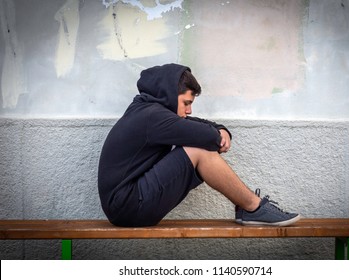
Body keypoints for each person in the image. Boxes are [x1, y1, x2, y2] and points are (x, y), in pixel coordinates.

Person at [98, 63, 300, 227]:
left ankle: (248, 207)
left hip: (128, 205)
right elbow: (206, 137)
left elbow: (195, 126)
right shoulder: (152, 117)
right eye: (186, 103)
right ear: (168, 94)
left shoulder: (149, 112)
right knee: (198, 149)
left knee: (197, 144)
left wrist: (220, 128)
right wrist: (217, 134)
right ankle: (253, 207)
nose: (189, 110)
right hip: (129, 206)